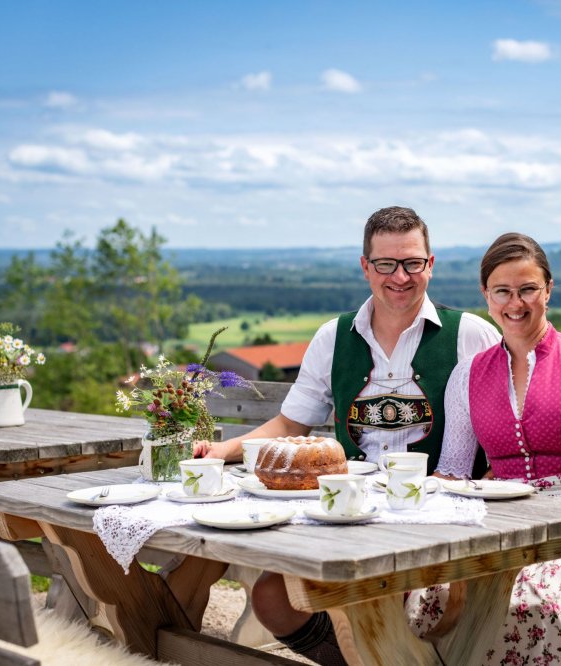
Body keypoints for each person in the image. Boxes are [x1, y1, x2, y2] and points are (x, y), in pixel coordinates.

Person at [195, 206, 500, 665]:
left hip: (434, 519)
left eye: (412, 262)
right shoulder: (333, 337)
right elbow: (291, 425)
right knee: (273, 598)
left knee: (360, 601)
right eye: (386, 264)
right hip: (349, 512)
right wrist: (223, 450)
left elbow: (506, 424)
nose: (400, 276)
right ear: (365, 266)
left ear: (430, 264)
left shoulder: (470, 335)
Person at [406, 232, 561, 666]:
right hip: (500, 519)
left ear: (548, 290)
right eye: (502, 291)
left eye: (528, 289)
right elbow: (454, 471)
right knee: (427, 593)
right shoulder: (468, 375)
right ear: (486, 295)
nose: (515, 303)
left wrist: (556, 528)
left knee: (527, 600)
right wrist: (406, 501)